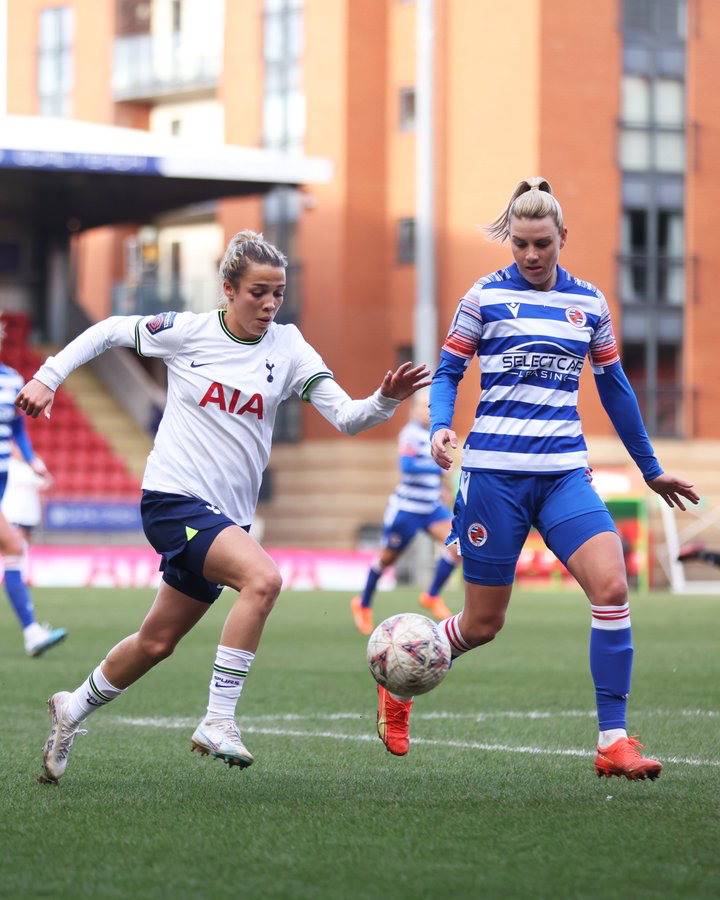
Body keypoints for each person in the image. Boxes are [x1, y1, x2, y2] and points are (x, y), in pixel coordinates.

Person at [16, 230, 430, 784]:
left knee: (156, 643)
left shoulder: (289, 348)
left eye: (278, 293)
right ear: (229, 289)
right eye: (258, 292)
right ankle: (218, 719)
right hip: (172, 500)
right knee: (263, 579)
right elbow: (109, 329)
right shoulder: (188, 332)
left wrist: (385, 400)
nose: (270, 304)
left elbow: (348, 418)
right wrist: (48, 377)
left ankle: (71, 709)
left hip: (225, 519)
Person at [375, 179, 699, 781]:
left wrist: (650, 469)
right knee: (483, 624)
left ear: (562, 238)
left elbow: (615, 388)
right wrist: (441, 427)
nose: (530, 254)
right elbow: (447, 371)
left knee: (612, 588)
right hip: (493, 478)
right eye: (520, 243)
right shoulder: (483, 296)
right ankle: (399, 682)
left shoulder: (590, 303)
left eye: (541, 244)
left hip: (562, 476)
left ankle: (613, 740)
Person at [350, 391, 459, 635]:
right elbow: (407, 466)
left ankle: (432, 595)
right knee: (387, 559)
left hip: (430, 508)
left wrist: (442, 488)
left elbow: (438, 472)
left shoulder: (434, 435)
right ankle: (363, 603)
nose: (428, 412)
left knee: (457, 546)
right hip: (407, 509)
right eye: (423, 407)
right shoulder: (410, 434)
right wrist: (438, 469)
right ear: (413, 410)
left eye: (431, 407)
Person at [0, 334, 66, 657]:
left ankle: (32, 633)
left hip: (2, 477)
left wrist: (33, 461)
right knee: (14, 546)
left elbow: (17, 429)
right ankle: (32, 633)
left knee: (13, 547)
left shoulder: (12, 380)